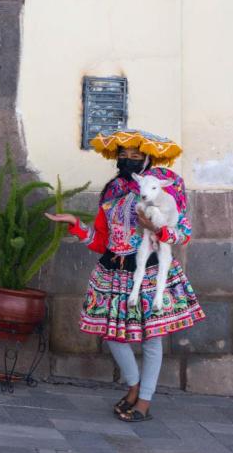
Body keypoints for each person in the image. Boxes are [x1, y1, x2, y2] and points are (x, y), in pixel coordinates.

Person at [46, 130, 205, 423]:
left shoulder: (165, 187)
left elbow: (183, 233)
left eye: (135, 155)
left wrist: (156, 229)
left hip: (148, 270)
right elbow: (101, 241)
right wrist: (76, 225)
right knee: (113, 335)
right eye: (123, 154)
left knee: (151, 338)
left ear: (148, 159)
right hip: (113, 272)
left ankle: (144, 401)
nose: (127, 159)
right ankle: (133, 386)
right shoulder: (112, 191)